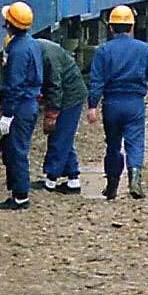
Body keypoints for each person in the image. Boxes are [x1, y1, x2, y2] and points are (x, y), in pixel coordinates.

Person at [86, 4, 148, 200]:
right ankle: (135, 180)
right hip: (134, 104)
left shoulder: (104, 50)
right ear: (132, 26)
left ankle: (112, 185)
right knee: (135, 142)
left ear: (111, 28)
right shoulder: (143, 49)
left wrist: (92, 106)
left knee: (112, 145)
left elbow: (96, 80)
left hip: (111, 105)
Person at [0, 0, 43, 210]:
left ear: (10, 24)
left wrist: (7, 114)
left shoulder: (18, 50)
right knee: (15, 149)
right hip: (28, 104)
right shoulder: (32, 44)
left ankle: (21, 196)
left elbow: (15, 84)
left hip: (20, 106)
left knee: (17, 151)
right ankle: (17, 192)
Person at [35, 32, 86, 193]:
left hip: (70, 96)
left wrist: (52, 114)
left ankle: (51, 179)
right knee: (64, 137)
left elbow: (55, 86)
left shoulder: (47, 56)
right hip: (71, 93)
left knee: (59, 137)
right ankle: (73, 180)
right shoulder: (41, 49)